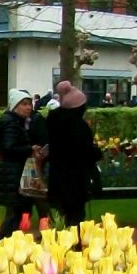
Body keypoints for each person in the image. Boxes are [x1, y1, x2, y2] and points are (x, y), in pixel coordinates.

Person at [44, 80, 101, 227]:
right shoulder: (78, 126)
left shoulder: (53, 121)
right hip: (76, 177)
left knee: (60, 215)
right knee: (76, 215)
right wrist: (97, 153)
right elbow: (84, 151)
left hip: (57, 176)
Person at [0, 88, 42, 235]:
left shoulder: (16, 122)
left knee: (18, 210)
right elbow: (9, 148)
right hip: (14, 172)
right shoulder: (12, 124)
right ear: (15, 106)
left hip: (14, 171)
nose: (28, 107)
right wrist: (29, 149)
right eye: (24, 104)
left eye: (30, 104)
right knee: (17, 211)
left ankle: (4, 240)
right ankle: (0, 240)